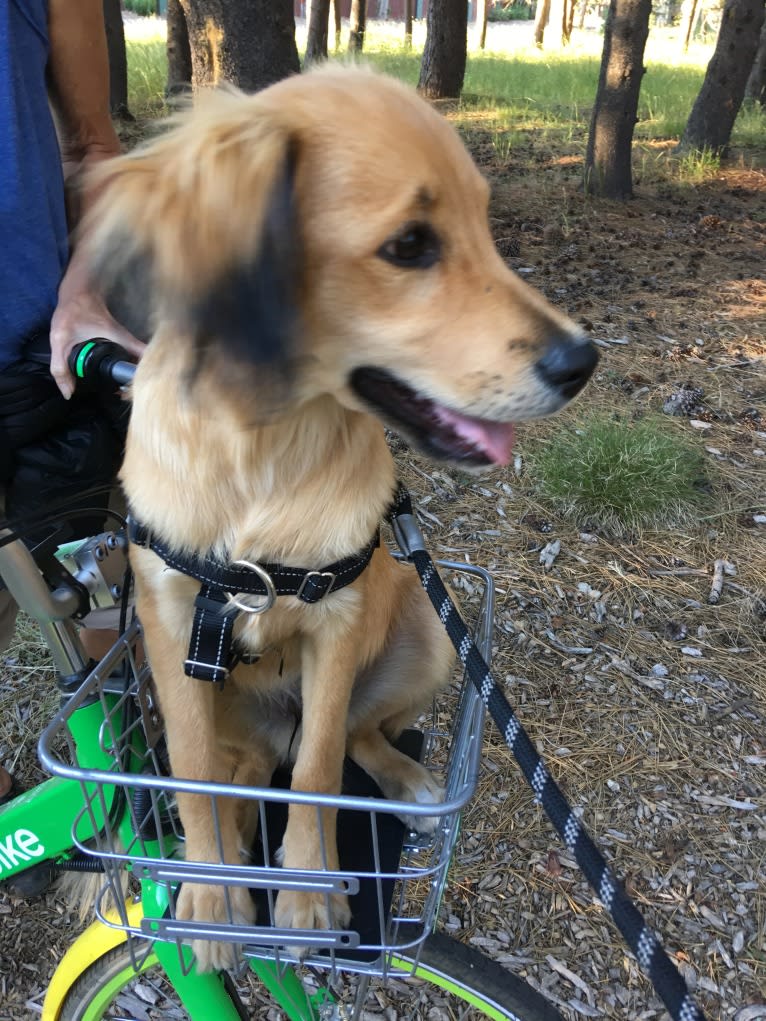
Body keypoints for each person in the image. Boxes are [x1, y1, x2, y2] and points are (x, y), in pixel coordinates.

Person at [0, 0, 144, 805]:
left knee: (112, 594)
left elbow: (94, 146)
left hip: (36, 365)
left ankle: (137, 800)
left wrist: (85, 287)